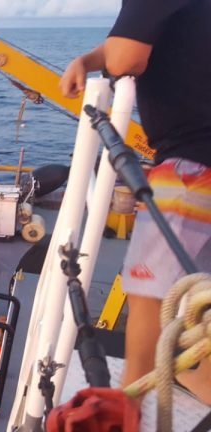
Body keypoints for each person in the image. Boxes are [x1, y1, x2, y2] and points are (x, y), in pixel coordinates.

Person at [59, 0, 211, 401]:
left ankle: (131, 406)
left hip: (191, 165)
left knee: (149, 290)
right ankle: (207, 378)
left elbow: (127, 57)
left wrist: (102, 62)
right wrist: (89, 59)